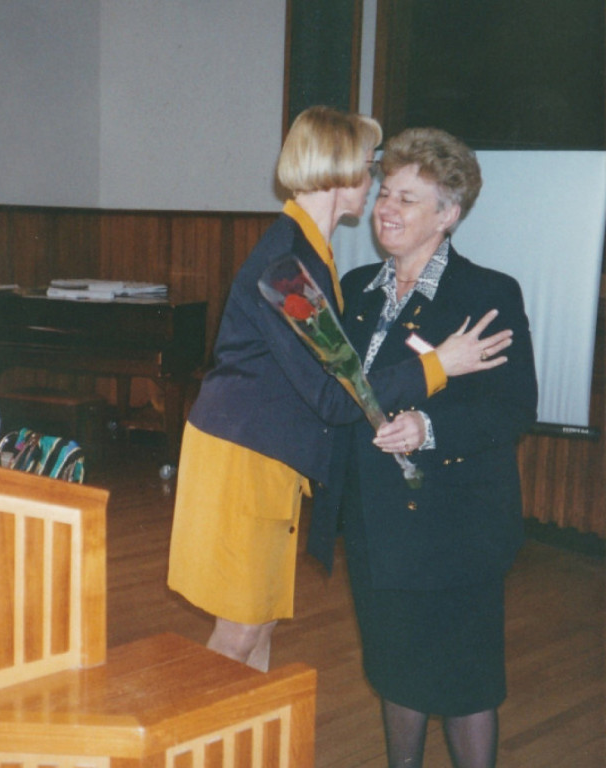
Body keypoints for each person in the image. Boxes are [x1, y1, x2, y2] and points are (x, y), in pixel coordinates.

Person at [167, 106, 514, 673]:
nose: (375, 181)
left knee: (261, 624)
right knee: (238, 633)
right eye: (368, 165)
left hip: (268, 460)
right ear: (339, 170)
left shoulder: (313, 254)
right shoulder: (286, 266)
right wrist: (440, 365)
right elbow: (334, 395)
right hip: (243, 463)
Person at [310, 127, 538, 768]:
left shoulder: (487, 294)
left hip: (457, 524)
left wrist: (427, 429)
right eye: (387, 192)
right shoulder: (355, 288)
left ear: (449, 214)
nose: (386, 208)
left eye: (409, 199)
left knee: (465, 683)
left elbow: (513, 409)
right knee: (394, 668)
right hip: (376, 520)